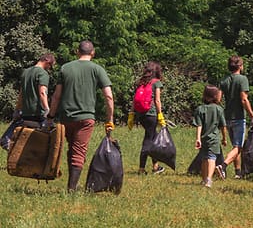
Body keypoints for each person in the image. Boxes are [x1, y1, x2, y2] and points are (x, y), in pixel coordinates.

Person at [49, 40, 115, 192]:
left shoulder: (65, 68)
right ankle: (72, 188)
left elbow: (56, 96)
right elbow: (109, 97)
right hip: (85, 118)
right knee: (79, 151)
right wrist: (109, 118)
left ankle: (73, 185)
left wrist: (50, 116)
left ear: (77, 51)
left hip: (66, 117)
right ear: (93, 53)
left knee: (72, 149)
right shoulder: (97, 69)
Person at [217, 55, 253, 179]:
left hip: (227, 116)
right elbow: (244, 99)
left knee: (235, 146)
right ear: (240, 66)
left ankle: (238, 172)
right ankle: (223, 166)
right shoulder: (242, 79)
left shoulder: (224, 80)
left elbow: (218, 99)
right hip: (239, 117)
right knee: (238, 147)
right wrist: (252, 116)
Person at [130, 61, 167, 175]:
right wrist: (160, 114)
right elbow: (157, 100)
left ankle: (155, 166)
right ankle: (141, 169)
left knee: (153, 139)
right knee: (148, 140)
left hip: (141, 114)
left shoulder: (141, 82)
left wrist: (131, 114)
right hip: (151, 115)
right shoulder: (157, 83)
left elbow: (134, 99)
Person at [193, 85, 227, 188]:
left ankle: (204, 179)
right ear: (216, 96)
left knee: (204, 158)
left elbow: (199, 125)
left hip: (203, 139)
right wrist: (224, 138)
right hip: (214, 139)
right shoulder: (219, 109)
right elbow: (223, 126)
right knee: (212, 158)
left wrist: (198, 138)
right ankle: (209, 179)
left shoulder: (200, 109)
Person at [16, 52, 56, 126]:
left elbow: (21, 93)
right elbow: (42, 93)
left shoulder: (25, 72)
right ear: (47, 60)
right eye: (50, 65)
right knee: (51, 133)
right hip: (38, 114)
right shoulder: (42, 73)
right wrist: (47, 110)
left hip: (25, 114)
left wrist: (17, 110)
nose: (49, 68)